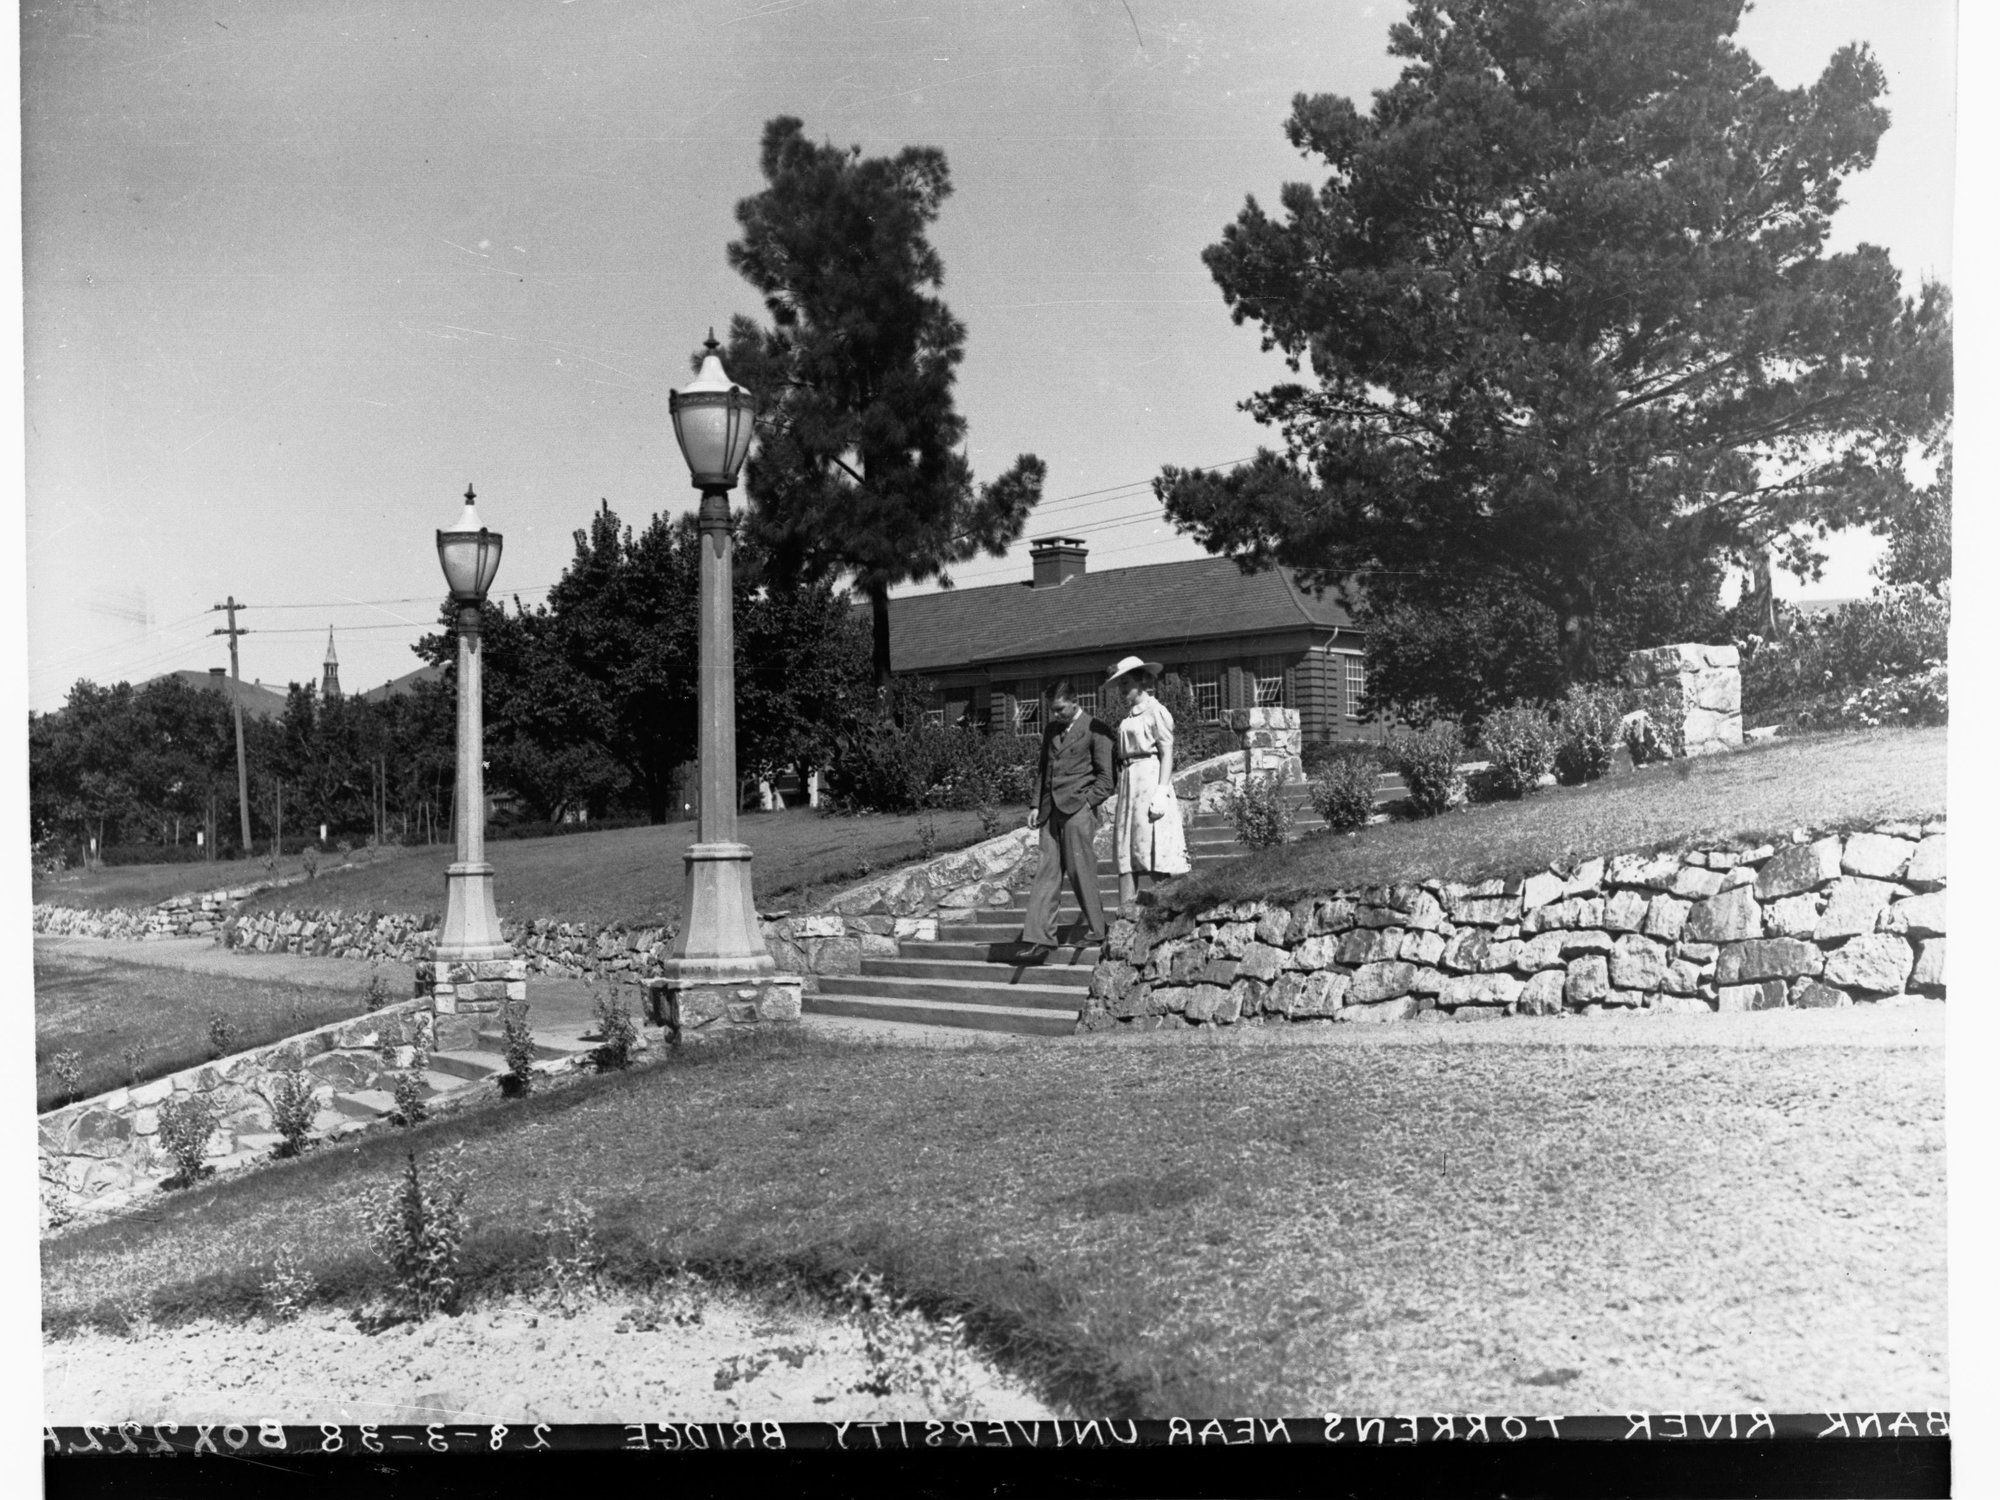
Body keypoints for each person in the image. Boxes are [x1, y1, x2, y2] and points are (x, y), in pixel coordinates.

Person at [1018, 678, 1116, 961]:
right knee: (1046, 874)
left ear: (1075, 702)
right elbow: (1042, 770)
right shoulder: (1051, 730)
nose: (1055, 715)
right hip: (1049, 812)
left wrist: (1087, 804)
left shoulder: (1095, 730)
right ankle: (1040, 939)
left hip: (1077, 811)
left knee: (1080, 870)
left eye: (1060, 709)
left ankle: (1098, 930)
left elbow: (1106, 778)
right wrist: (1035, 804)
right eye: (1052, 710)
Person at [1105, 654, 1190, 914]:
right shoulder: (1127, 718)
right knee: (1127, 849)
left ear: (1141, 681)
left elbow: (1167, 752)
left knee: (1155, 847)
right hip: (1130, 783)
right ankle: (1126, 916)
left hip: (1151, 779)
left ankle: (1168, 911)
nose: (1122, 689)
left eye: (1126, 683)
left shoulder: (1157, 712)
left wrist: (1162, 791)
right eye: (1120, 684)